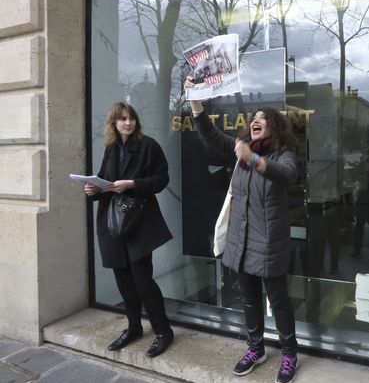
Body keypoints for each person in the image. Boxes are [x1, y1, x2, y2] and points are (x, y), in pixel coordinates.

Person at [185, 77, 300, 383]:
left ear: (274, 127)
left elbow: (286, 174)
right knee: (248, 299)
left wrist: (256, 160)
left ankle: (289, 353)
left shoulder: (282, 154)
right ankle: (256, 348)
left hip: (270, 242)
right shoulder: (241, 150)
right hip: (242, 240)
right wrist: (195, 98)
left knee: (278, 300)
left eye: (263, 119)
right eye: (253, 119)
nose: (255, 122)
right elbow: (209, 134)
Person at [83, 102, 174, 358]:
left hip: (138, 222)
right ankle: (134, 328)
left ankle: (163, 331)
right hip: (113, 224)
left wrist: (132, 183)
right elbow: (105, 182)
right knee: (124, 281)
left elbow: (162, 179)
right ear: (114, 123)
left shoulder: (148, 145)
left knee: (143, 281)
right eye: (122, 119)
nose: (127, 123)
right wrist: (93, 190)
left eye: (131, 118)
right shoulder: (111, 149)